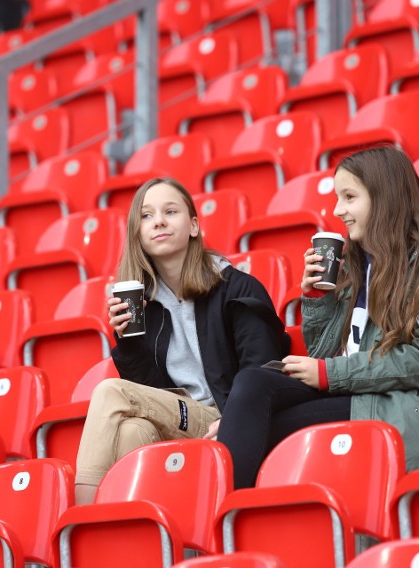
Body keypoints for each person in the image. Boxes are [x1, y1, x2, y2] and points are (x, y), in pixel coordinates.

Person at [216, 145, 419, 489]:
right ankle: (225, 513)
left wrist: (331, 374)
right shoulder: (358, 261)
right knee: (253, 383)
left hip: (398, 403)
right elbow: (322, 353)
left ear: (384, 197)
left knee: (267, 426)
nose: (337, 210)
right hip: (351, 391)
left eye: (349, 197)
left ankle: (228, 519)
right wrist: (318, 298)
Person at [74, 177, 289, 504]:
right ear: (139, 236)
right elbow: (151, 392)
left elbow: (261, 371)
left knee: (108, 391)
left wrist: (233, 420)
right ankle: (144, 536)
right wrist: (129, 342)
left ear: (193, 226)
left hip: (225, 417)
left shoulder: (237, 289)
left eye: (170, 211)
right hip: (179, 417)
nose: (158, 220)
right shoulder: (146, 305)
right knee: (132, 431)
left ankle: (84, 517)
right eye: (146, 216)